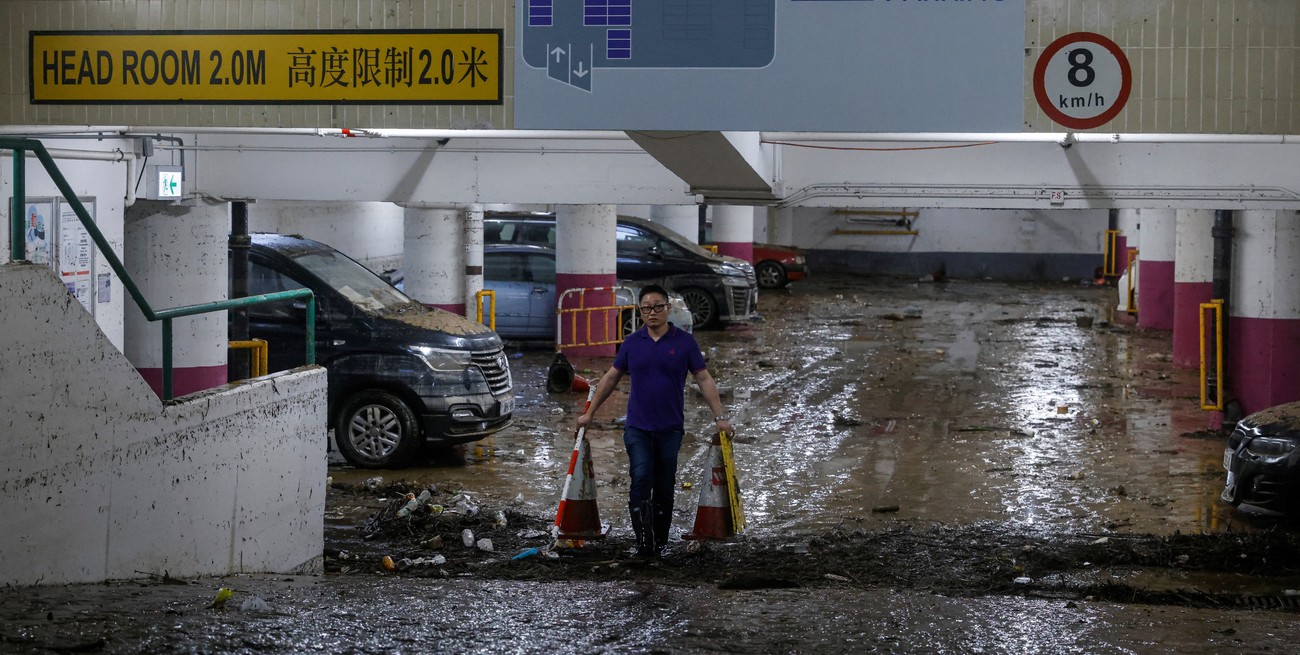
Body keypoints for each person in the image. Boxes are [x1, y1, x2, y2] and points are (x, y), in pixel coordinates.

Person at [577, 284, 733, 557]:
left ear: (668, 309)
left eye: (658, 306)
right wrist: (589, 412)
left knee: (664, 486)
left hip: (670, 429)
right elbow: (611, 377)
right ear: (640, 312)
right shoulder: (632, 343)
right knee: (640, 478)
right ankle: (642, 543)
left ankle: (660, 543)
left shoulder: (684, 343)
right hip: (637, 427)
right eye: (646, 308)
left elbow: (704, 378)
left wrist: (719, 417)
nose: (652, 312)